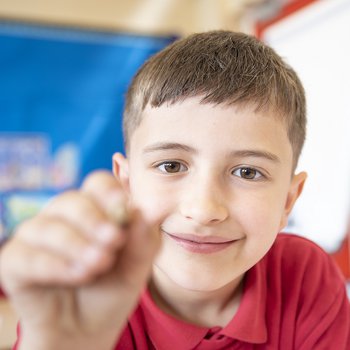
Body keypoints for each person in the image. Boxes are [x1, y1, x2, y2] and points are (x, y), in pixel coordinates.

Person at [0, 30, 349, 350]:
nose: (203, 208)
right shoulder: (81, 296)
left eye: (247, 171)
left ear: (288, 199)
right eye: (171, 165)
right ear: (127, 182)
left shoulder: (305, 275)